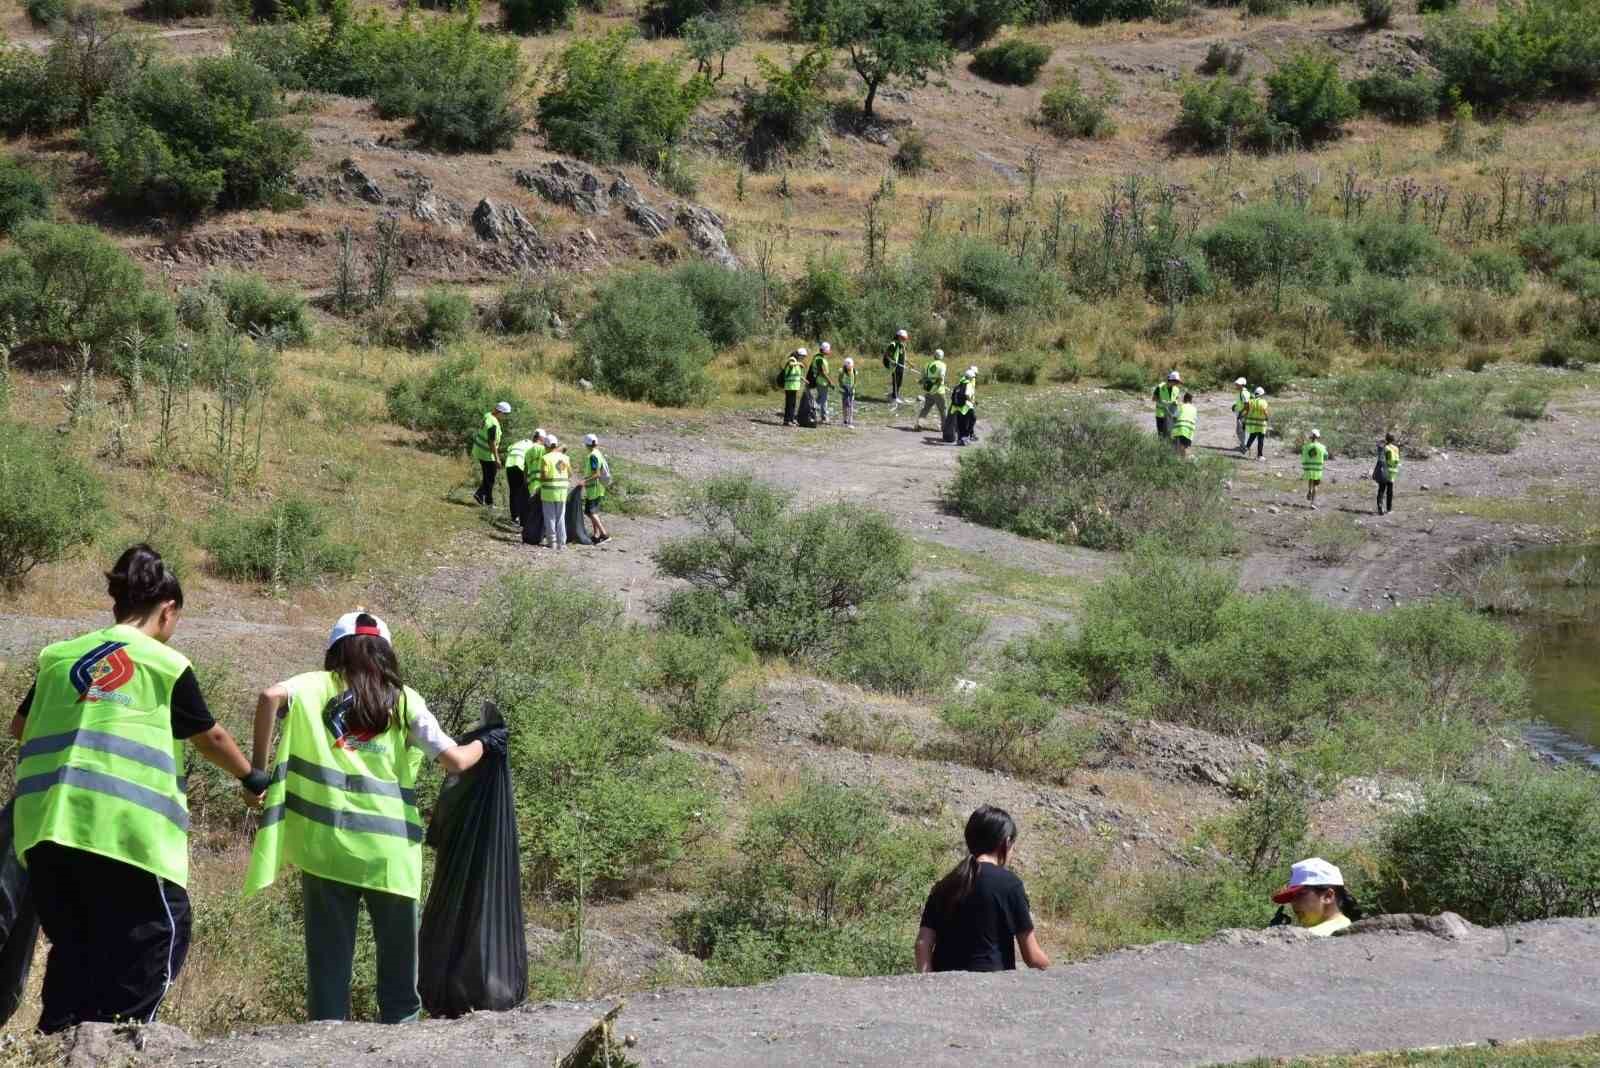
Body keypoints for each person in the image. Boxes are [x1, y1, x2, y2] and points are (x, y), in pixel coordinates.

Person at [11, 545, 263, 1034]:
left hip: (45, 832)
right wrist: (251, 778)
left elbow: (20, 727)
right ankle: (119, 1046)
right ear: (167, 610)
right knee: (159, 936)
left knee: (76, 948)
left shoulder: (59, 656)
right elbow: (209, 736)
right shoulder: (163, 664)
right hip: (123, 834)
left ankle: (59, 1044)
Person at [244, 612, 499, 1023]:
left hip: (327, 850)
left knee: (329, 975)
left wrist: (258, 774)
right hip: (390, 855)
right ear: (386, 652)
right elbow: (455, 761)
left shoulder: (312, 687)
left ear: (334, 650)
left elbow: (268, 697)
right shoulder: (403, 699)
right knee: (400, 981)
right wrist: (487, 742)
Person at [915, 805, 1049, 974]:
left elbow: (922, 944)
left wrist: (929, 981)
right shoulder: (1010, 884)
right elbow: (1032, 957)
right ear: (1006, 842)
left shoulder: (946, 884)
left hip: (945, 987)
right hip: (991, 988)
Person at [1269, 857, 1362, 936]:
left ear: (1328, 896)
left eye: (1300, 894)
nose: (1294, 903)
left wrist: (1275, 936)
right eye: (1292, 897)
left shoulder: (1316, 935)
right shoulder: (1348, 928)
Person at [470, 401, 510, 507]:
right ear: (500, 412)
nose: (505, 417)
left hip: (479, 450)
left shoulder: (488, 415)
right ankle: (479, 495)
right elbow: (491, 442)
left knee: (488, 477)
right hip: (487, 454)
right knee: (490, 478)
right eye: (505, 414)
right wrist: (497, 458)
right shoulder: (493, 423)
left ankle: (489, 501)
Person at [538, 435, 572, 549]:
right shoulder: (565, 458)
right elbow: (570, 474)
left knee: (550, 517)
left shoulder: (545, 458)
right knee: (560, 517)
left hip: (549, 492)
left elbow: (545, 475)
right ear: (556, 445)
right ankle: (562, 542)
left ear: (546, 446)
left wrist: (540, 479)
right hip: (562, 491)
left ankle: (552, 542)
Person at [579, 433, 612, 544]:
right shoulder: (598, 453)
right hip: (597, 488)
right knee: (592, 512)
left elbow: (596, 474)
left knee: (591, 512)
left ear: (586, 444)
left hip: (594, 488)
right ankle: (596, 535)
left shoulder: (592, 456)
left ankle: (604, 534)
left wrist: (584, 481)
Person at [503, 434, 535, 527]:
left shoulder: (518, 443)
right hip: (519, 465)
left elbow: (509, 449)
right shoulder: (532, 446)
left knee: (513, 492)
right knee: (523, 493)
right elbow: (529, 461)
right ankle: (524, 519)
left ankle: (514, 518)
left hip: (509, 465)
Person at [915, 348, 948, 433]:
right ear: (942, 356)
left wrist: (920, 382)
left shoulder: (927, 364)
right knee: (943, 410)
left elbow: (924, 378)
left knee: (926, 408)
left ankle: (919, 424)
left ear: (934, 356)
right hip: (938, 391)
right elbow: (941, 377)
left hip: (929, 390)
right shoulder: (942, 365)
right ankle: (945, 428)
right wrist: (937, 385)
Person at [951, 366, 978, 446]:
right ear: (971, 377)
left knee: (960, 424)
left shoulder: (961, 382)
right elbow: (967, 395)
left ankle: (960, 439)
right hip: (966, 406)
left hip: (957, 406)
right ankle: (966, 438)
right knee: (971, 420)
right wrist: (973, 401)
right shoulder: (968, 384)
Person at [1302, 429, 1328, 508]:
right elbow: (1326, 456)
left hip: (1308, 468)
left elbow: (1303, 455)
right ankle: (1312, 503)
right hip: (1317, 468)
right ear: (1318, 437)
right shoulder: (1322, 447)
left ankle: (1309, 490)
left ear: (1310, 437)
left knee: (1311, 478)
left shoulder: (1305, 446)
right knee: (1316, 485)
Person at [809, 342, 834, 425]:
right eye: (828, 349)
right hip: (822, 382)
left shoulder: (818, 357)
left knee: (820, 398)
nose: (830, 351)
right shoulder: (819, 359)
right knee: (824, 400)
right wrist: (829, 381)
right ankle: (824, 418)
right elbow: (822, 372)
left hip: (820, 381)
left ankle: (811, 409)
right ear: (825, 350)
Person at [1152, 371, 1181, 439]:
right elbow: (1153, 399)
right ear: (1171, 380)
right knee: (1161, 435)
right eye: (1176, 382)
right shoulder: (1160, 387)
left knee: (1170, 434)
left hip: (1171, 414)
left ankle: (1168, 448)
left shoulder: (1176, 389)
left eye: (1177, 382)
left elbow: (1177, 399)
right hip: (1161, 414)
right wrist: (1161, 401)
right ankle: (1161, 448)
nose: (1177, 384)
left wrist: (1176, 402)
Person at [1376, 432, 1400, 515]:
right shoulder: (1396, 448)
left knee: (1381, 489)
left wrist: (1382, 442)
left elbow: (1380, 457)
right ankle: (1389, 509)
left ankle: (1380, 507)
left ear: (1386, 439)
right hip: (1393, 471)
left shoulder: (1384, 448)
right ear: (1393, 439)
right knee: (1390, 490)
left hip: (1384, 470)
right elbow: (1397, 460)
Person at [884, 328, 909, 403]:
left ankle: (894, 395)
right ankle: (894, 398)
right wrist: (891, 361)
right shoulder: (893, 344)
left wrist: (910, 363)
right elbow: (887, 354)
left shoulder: (902, 345)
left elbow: (903, 356)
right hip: (895, 366)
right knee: (895, 381)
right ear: (899, 336)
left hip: (901, 366)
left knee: (899, 382)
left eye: (905, 339)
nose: (904, 340)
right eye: (903, 338)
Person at [782, 348, 806, 427]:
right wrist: (798, 364)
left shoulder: (797, 362)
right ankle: (787, 421)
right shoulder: (792, 359)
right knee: (789, 404)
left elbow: (797, 374)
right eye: (803, 356)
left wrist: (804, 379)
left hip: (794, 387)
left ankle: (791, 420)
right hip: (789, 386)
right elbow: (790, 364)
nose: (803, 358)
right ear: (799, 355)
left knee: (792, 404)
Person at [1244, 387, 1270, 460]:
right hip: (1261, 424)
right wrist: (1267, 417)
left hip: (1252, 424)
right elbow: (1265, 411)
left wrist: (1244, 420)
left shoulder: (1251, 401)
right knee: (1260, 440)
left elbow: (1247, 411)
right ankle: (1260, 455)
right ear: (1261, 394)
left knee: (1252, 436)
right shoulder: (1263, 402)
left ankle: (1246, 447)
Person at [1171, 391, 1197, 460]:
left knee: (1178, 448)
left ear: (1184, 399)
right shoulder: (1194, 409)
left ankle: (1181, 461)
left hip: (1179, 430)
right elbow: (1194, 419)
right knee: (1186, 447)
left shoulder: (1181, 407)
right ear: (1191, 400)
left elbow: (1174, 417)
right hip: (1189, 431)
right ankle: (1187, 461)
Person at [1231, 377, 1250, 452]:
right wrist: (1235, 406)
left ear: (1242, 385)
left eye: (1237, 384)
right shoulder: (1241, 392)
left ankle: (1244, 446)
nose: (1236, 385)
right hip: (1241, 413)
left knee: (1240, 431)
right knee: (1241, 431)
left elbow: (1247, 405)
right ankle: (1244, 445)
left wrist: (1241, 414)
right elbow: (1242, 403)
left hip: (1243, 414)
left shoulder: (1244, 393)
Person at [839, 357, 857, 428]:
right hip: (844, 391)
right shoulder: (841, 371)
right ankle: (845, 420)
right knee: (845, 405)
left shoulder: (854, 371)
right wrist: (844, 386)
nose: (849, 368)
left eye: (850, 367)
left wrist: (853, 387)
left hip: (851, 391)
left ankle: (850, 420)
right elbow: (839, 380)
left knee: (851, 405)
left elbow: (855, 381)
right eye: (848, 367)